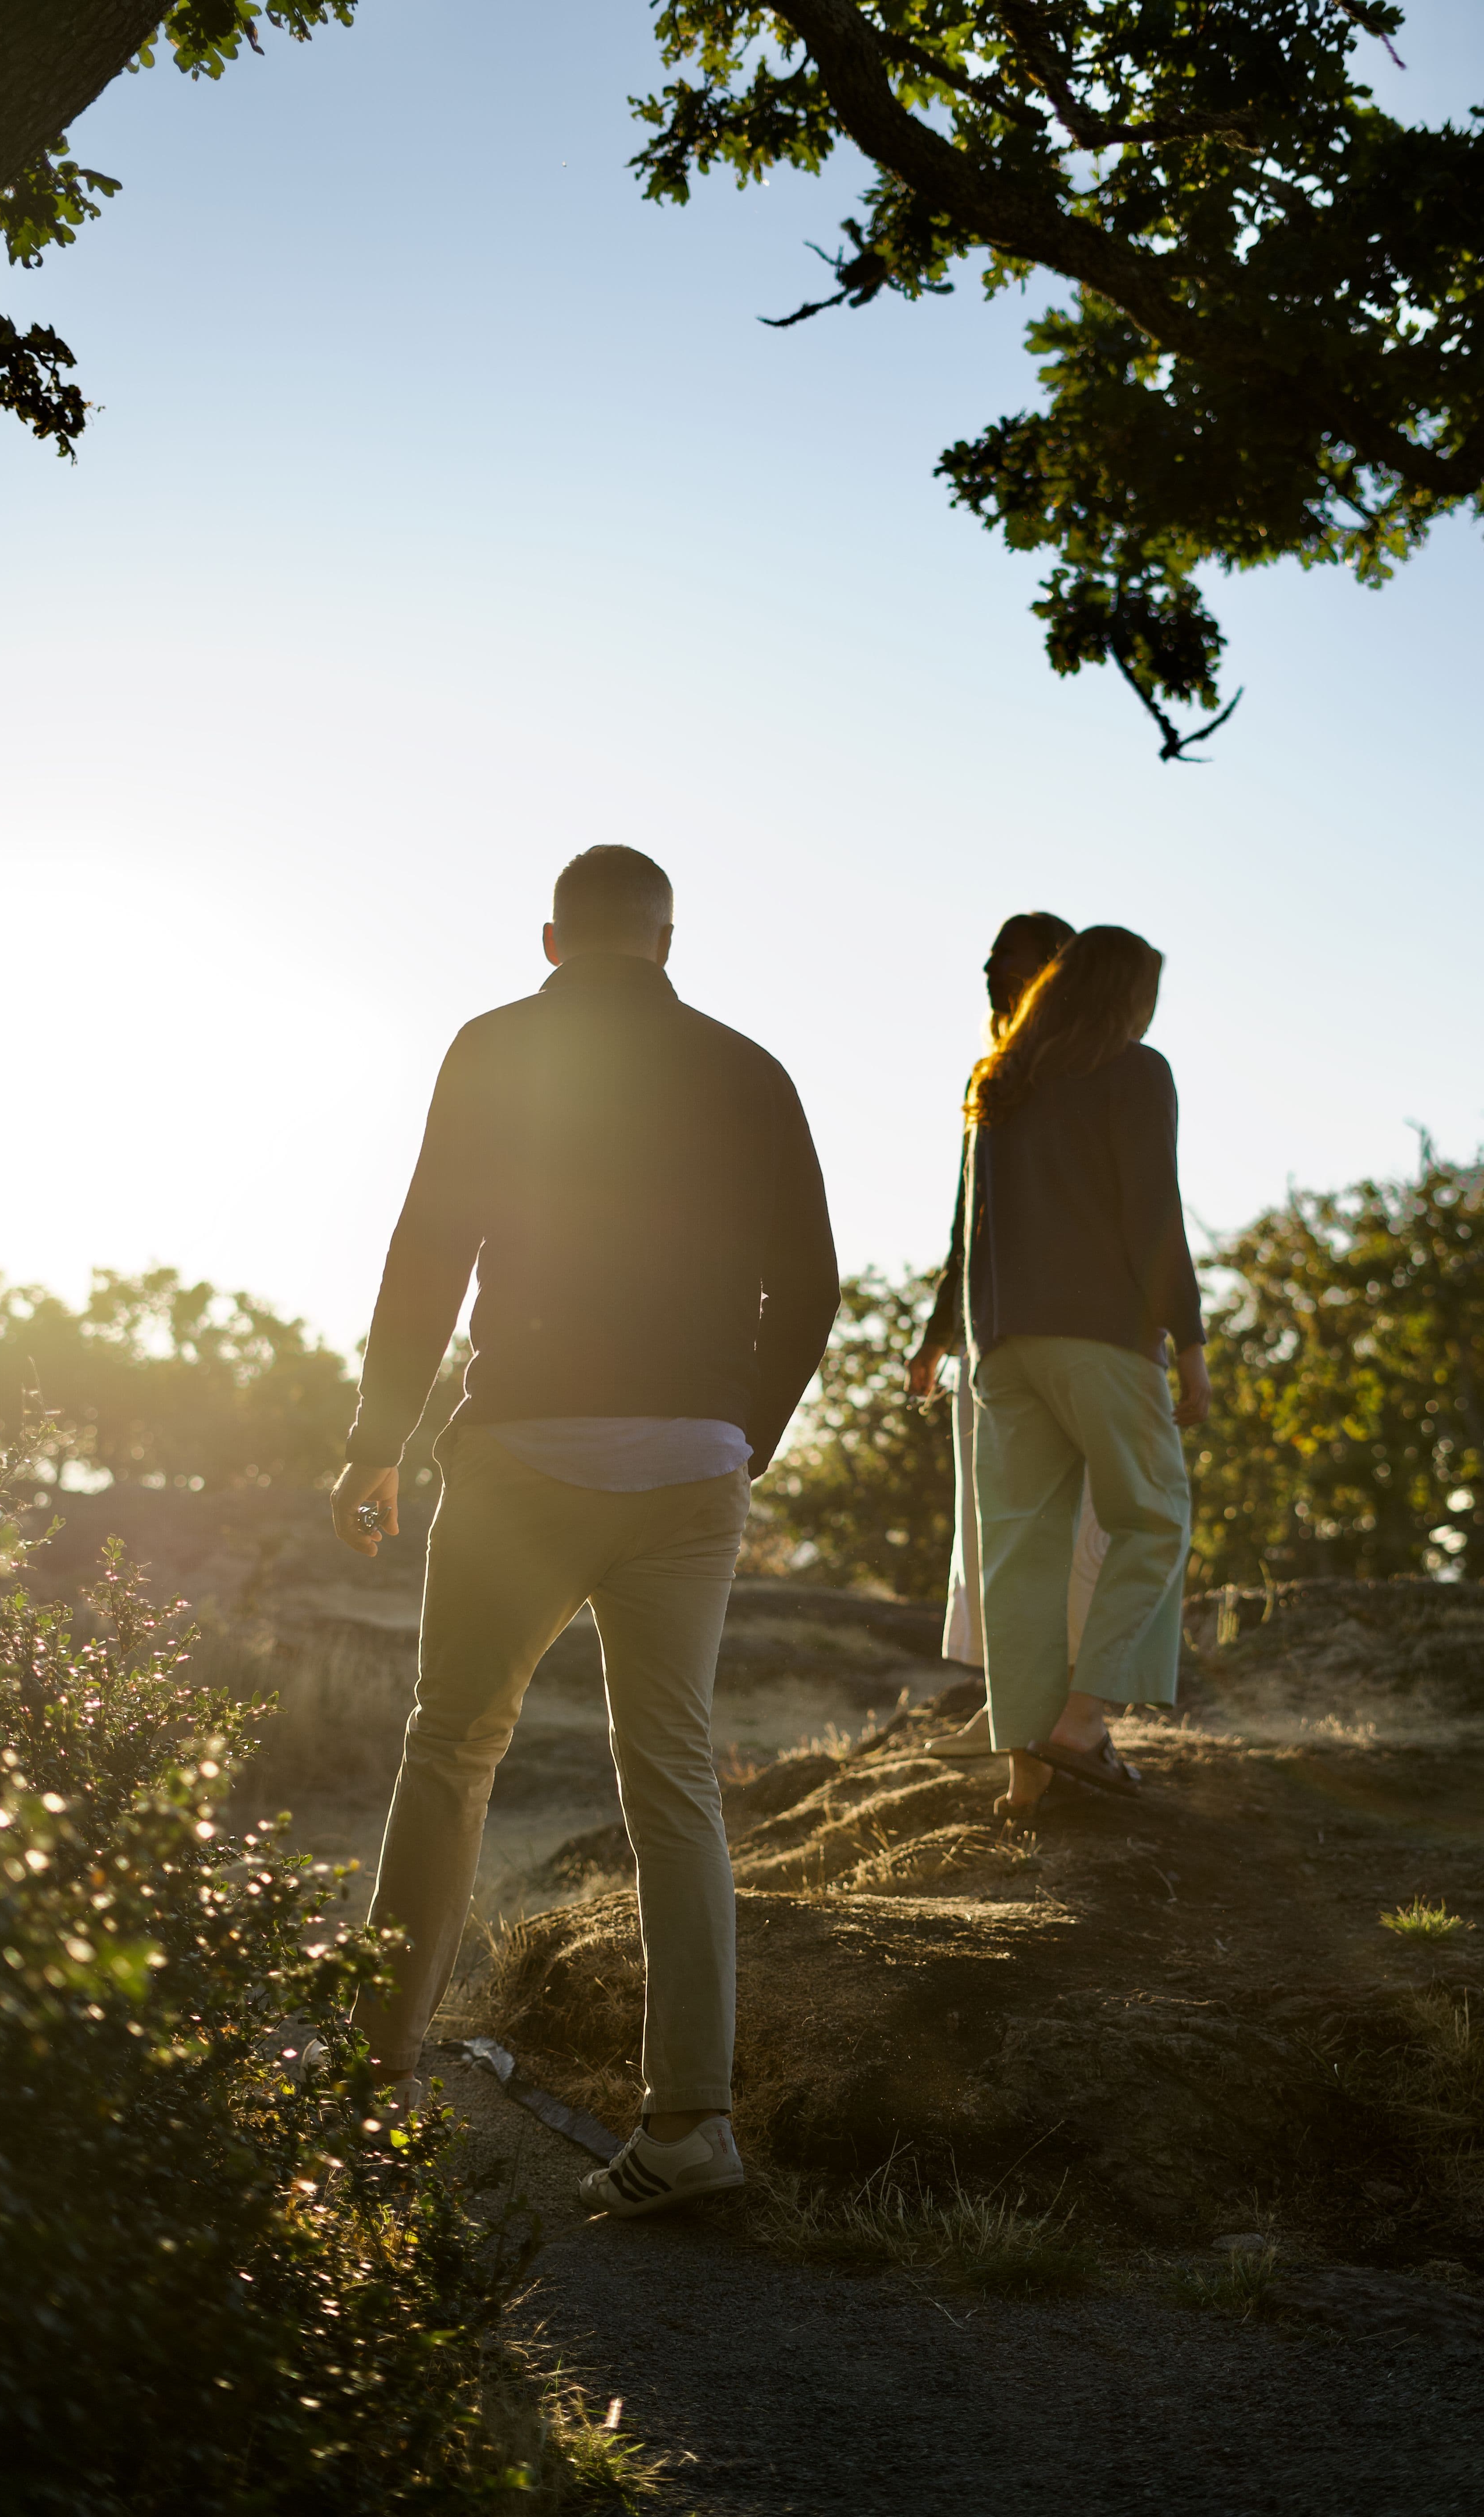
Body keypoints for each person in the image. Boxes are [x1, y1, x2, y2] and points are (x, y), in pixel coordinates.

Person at [330, 845, 840, 2214]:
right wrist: (743, 1436)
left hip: (525, 1452)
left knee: (451, 1749)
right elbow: (817, 1282)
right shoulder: (751, 1067)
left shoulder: (497, 1043)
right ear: (669, 944)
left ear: (554, 939)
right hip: (693, 1465)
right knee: (673, 1780)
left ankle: (372, 2082)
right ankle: (691, 2133)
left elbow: (428, 1245)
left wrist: (378, 1442)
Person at [915, 925, 1209, 1815]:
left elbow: (973, 1229)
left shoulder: (995, 1081)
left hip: (1000, 1346)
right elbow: (1153, 1211)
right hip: (1101, 1337)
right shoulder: (1135, 1069)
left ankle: (1026, 1781)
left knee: (1020, 1558)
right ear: (1125, 995)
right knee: (1152, 1514)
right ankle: (1081, 1726)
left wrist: (952, 1337)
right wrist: (1188, 1343)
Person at [907, 914, 1108, 1713]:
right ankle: (1012, 1706)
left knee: (1077, 1522)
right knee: (995, 1521)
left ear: (1053, 968)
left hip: (1082, 1331)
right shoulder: (989, 1075)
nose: (991, 968)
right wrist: (934, 1338)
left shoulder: (1100, 1070)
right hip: (991, 1335)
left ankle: (1072, 1712)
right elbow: (969, 1218)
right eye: (989, 956)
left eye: (1009, 956)